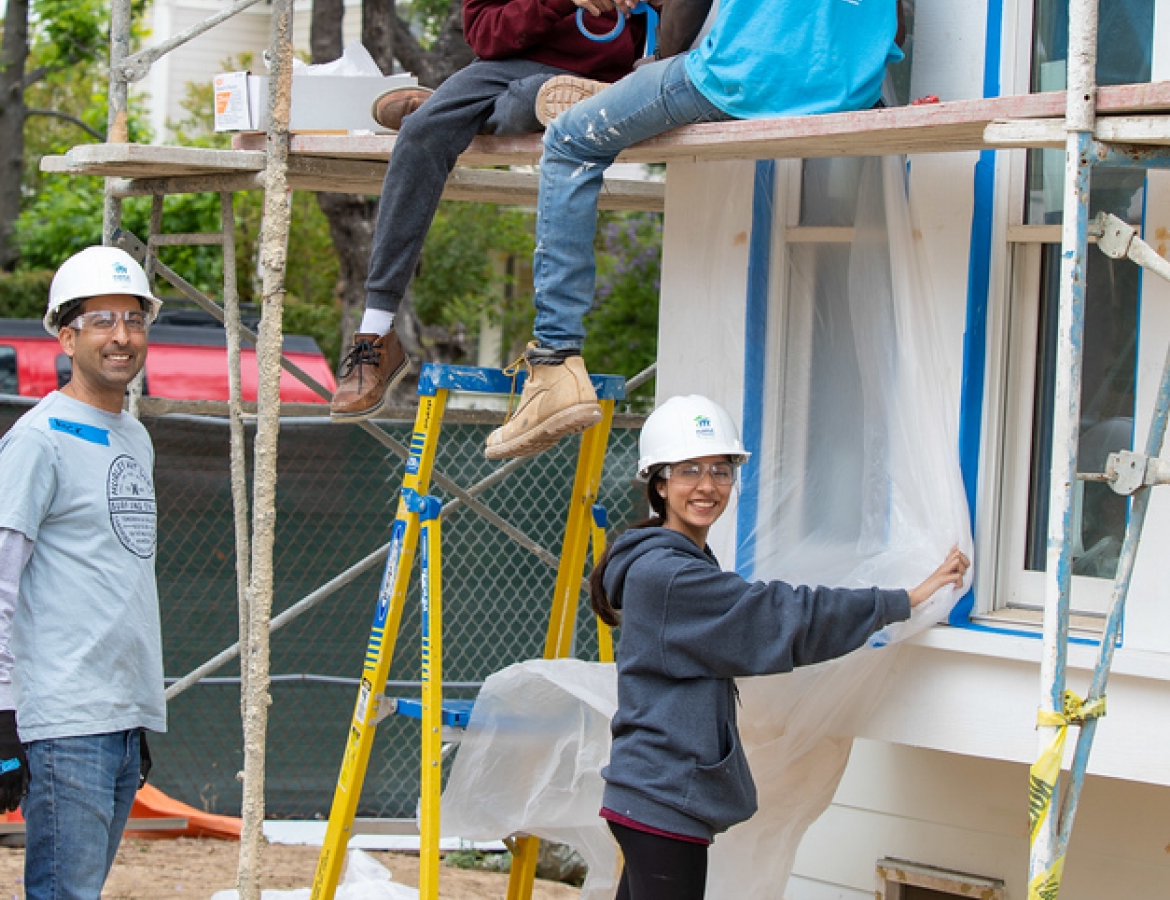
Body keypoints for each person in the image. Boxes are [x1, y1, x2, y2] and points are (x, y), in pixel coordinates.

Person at [483, 0, 906, 459]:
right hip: (853, 86)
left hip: (746, 75)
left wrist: (661, 60)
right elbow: (898, 26)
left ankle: (554, 363)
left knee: (570, 141)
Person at [588, 395, 968, 900]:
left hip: (651, 792)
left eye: (721, 471)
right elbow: (780, 615)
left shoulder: (678, 559)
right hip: (663, 795)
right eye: (689, 471)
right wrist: (902, 599)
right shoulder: (670, 575)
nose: (707, 485)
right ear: (659, 482)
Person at [0, 246, 166, 900]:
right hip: (61, 724)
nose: (123, 336)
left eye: (134, 320)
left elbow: (115, 583)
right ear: (66, 334)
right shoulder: (36, 440)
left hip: (118, 720)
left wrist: (133, 710)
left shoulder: (134, 435)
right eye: (102, 321)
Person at [329, 0, 649, 422]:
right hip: (506, 70)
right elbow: (484, 34)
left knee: (518, 105)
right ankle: (375, 331)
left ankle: (452, 107)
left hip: (601, 75)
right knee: (423, 134)